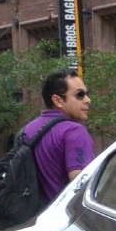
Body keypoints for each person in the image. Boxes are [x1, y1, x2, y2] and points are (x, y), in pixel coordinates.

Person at [22, 71, 97, 203]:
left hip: (35, 219)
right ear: (57, 100)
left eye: (87, 94)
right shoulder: (74, 131)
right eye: (80, 95)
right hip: (65, 218)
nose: (87, 100)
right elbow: (82, 186)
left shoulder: (27, 130)